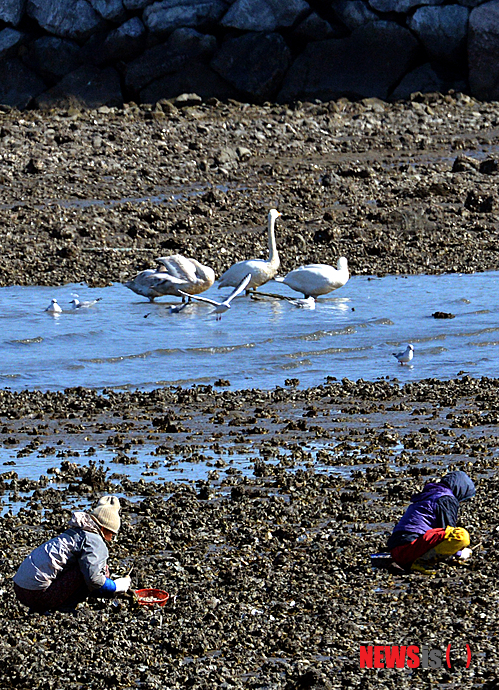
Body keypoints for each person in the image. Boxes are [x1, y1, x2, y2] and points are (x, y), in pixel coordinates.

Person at [13, 495, 132, 613]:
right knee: (93, 571)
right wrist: (116, 586)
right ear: (104, 529)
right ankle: (64, 608)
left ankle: (40, 608)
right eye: (112, 535)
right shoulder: (94, 541)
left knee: (91, 567)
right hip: (36, 594)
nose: (111, 540)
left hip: (20, 589)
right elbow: (94, 579)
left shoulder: (76, 533)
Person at [386, 470, 475, 574]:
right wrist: (459, 553)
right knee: (461, 536)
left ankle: (418, 561)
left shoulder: (431, 494)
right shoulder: (446, 498)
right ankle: (422, 563)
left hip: (397, 552)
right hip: (411, 548)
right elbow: (448, 530)